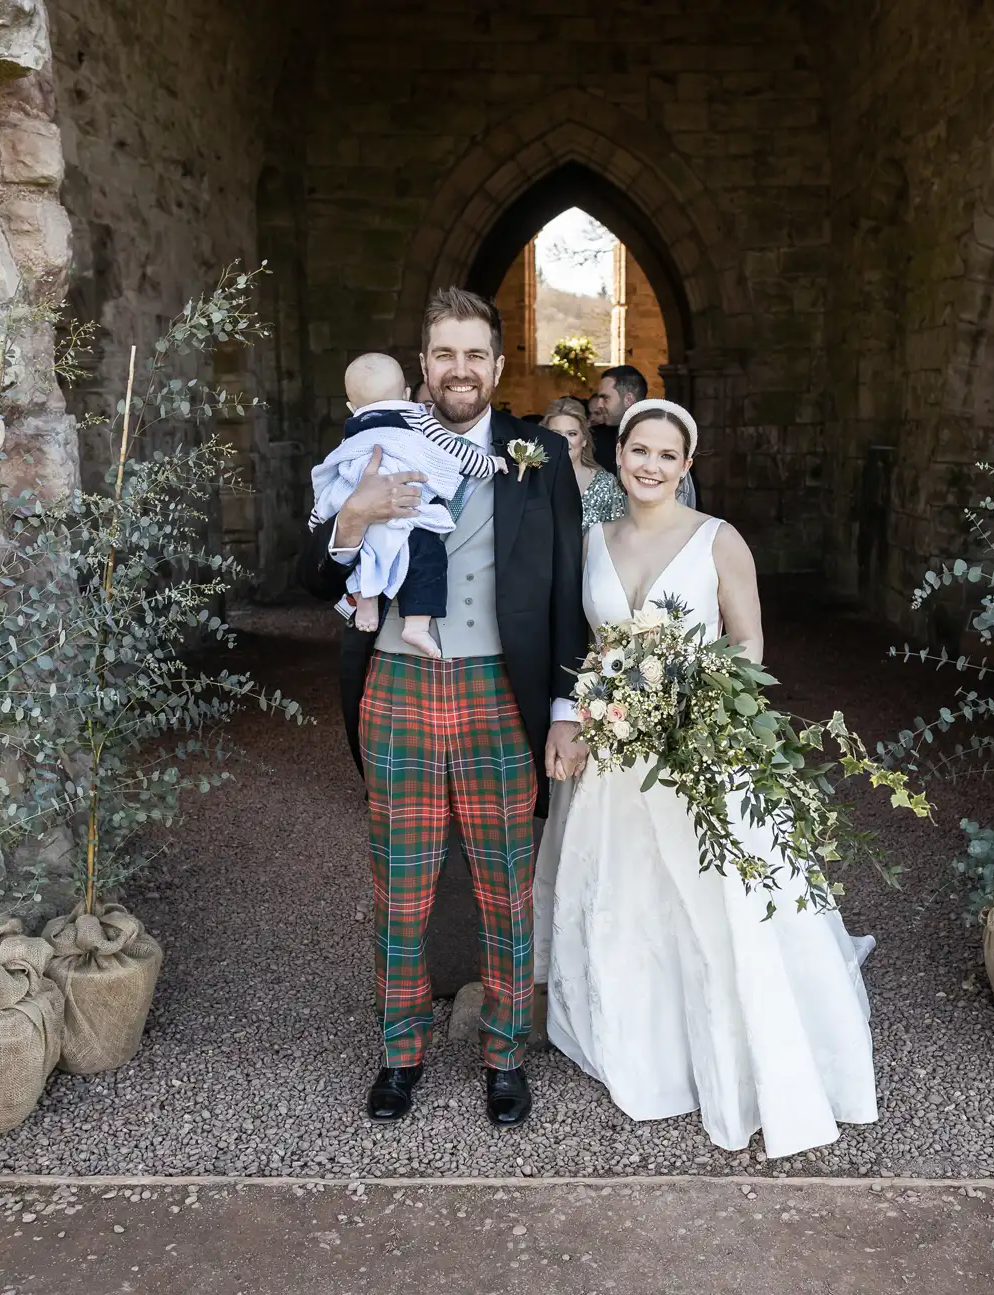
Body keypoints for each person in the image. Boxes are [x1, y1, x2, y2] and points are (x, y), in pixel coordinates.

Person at [537, 399, 879, 1159]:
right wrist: (595, 710)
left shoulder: (719, 540)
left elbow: (749, 641)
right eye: (639, 450)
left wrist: (700, 705)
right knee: (628, 900)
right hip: (618, 758)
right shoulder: (592, 539)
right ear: (617, 453)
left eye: (668, 455)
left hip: (700, 751)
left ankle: (731, 1048)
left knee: (713, 907)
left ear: (687, 467)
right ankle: (644, 1047)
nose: (651, 465)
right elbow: (590, 650)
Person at [297, 288, 588, 1128]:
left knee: (506, 882)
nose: (460, 370)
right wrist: (352, 517)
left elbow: (566, 582)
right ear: (423, 367)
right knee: (402, 881)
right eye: (444, 355)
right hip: (396, 682)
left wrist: (565, 704)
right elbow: (314, 571)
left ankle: (505, 1053)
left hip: (502, 685)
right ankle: (400, 1050)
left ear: (497, 366)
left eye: (475, 355)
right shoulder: (370, 443)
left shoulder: (536, 454)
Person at [309, 352, 505, 657]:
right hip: (407, 516)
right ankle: (416, 625)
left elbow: (331, 480)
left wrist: (317, 522)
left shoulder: (351, 434)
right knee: (428, 558)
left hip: (360, 508)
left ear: (351, 406)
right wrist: (489, 465)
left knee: (367, 555)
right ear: (405, 395)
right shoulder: (415, 417)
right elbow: (454, 452)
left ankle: (364, 600)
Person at [589, 364, 697, 509]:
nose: (599, 405)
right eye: (639, 450)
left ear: (628, 399)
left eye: (605, 398)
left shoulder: (669, 436)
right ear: (619, 452)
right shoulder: (596, 438)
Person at [543, 394, 625, 528]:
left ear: (584, 440)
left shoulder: (606, 484)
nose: (563, 441)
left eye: (572, 434)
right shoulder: (532, 479)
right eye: (555, 434)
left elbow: (619, 535)